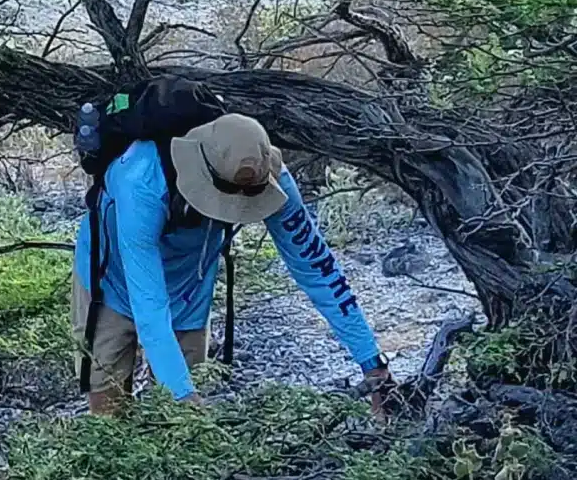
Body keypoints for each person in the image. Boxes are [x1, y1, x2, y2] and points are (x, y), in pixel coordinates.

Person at [71, 112, 392, 414]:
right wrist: (184, 397)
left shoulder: (269, 176)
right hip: (109, 282)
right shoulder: (140, 180)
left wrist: (371, 360)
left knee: (177, 432)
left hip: (188, 289)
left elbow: (317, 268)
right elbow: (149, 310)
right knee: (110, 412)